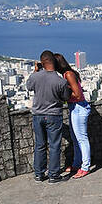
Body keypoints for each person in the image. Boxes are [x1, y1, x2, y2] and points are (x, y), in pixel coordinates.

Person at [26, 50, 71, 184]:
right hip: (53, 115)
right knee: (54, 146)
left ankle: (39, 174)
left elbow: (29, 87)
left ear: (42, 62)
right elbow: (65, 97)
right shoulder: (60, 81)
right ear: (54, 62)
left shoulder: (35, 77)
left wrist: (35, 71)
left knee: (40, 145)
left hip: (38, 115)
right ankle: (53, 175)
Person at [55, 53, 91, 179]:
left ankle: (85, 166)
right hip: (74, 108)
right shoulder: (66, 74)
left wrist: (63, 97)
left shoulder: (69, 74)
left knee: (81, 138)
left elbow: (78, 95)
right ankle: (77, 163)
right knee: (75, 138)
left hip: (79, 108)